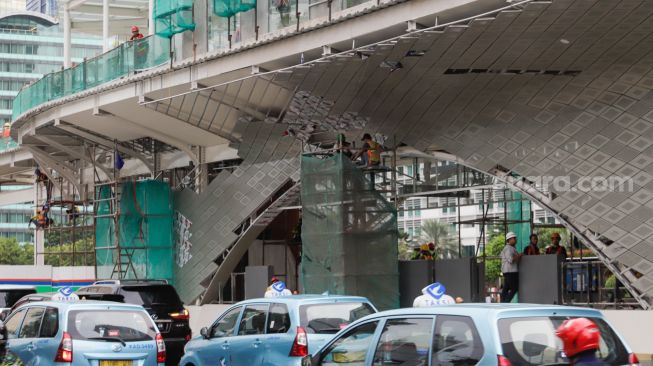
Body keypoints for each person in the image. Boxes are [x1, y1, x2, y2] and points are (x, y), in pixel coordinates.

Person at [500, 232, 522, 303]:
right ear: (509, 239)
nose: (515, 240)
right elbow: (511, 260)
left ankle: (502, 302)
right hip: (511, 272)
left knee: (506, 288)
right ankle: (506, 302)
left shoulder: (511, 248)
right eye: (514, 238)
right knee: (514, 288)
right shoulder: (508, 249)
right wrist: (520, 255)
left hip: (508, 272)